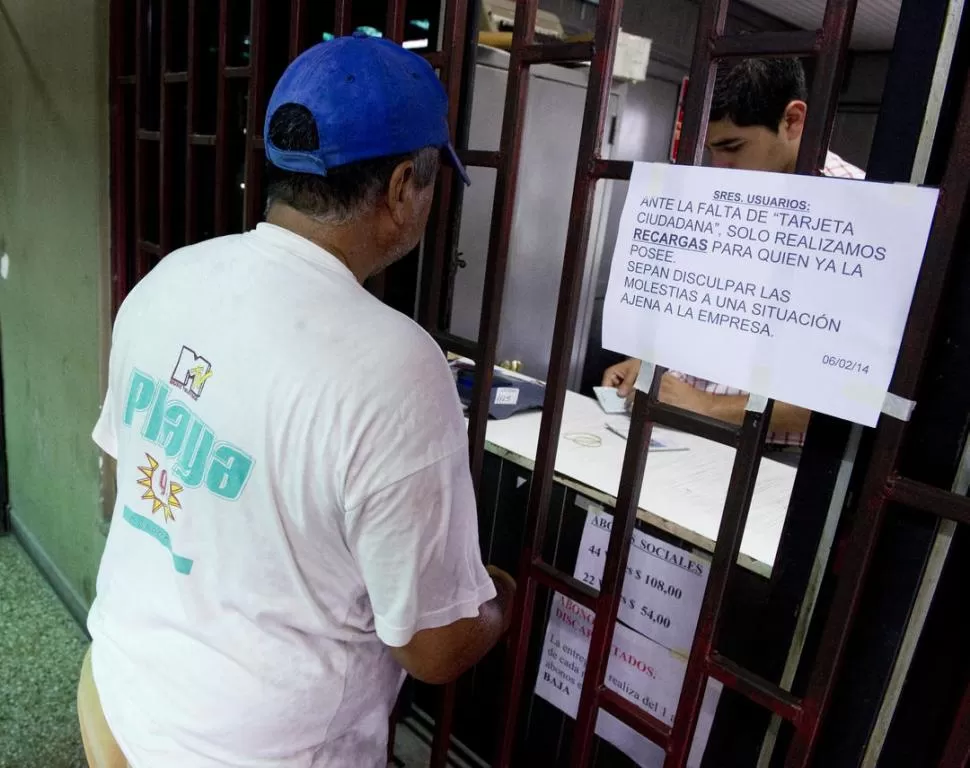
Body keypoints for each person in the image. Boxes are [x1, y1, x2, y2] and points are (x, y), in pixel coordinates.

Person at [80, 33, 516, 768]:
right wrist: (499, 594)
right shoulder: (398, 368)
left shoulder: (170, 279)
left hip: (116, 695)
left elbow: (119, 488)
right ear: (405, 185)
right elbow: (434, 650)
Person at [603, 58, 864, 448]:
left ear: (793, 121)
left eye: (732, 146)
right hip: (678, 433)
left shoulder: (856, 216)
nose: (717, 166)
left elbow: (849, 393)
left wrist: (705, 405)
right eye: (710, 149)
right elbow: (712, 311)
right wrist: (651, 367)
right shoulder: (734, 192)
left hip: (772, 458)